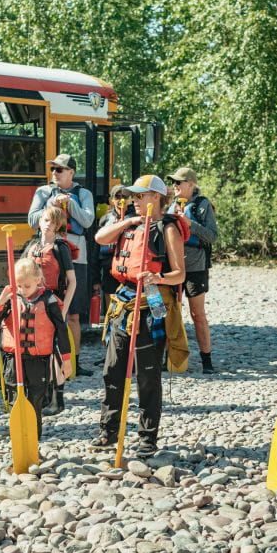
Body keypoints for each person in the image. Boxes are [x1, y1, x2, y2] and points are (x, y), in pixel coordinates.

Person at [92, 175, 186, 458]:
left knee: (147, 373)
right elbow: (99, 238)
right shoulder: (127, 223)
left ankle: (147, 436)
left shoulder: (168, 229)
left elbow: (179, 273)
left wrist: (157, 276)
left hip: (153, 299)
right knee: (113, 369)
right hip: (123, 299)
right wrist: (128, 222)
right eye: (133, 196)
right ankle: (108, 429)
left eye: (140, 196)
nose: (133, 200)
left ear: (155, 197)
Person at [0, 258, 71, 439]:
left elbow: (62, 332)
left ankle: (34, 439)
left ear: (38, 280)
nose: (23, 290)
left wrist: (67, 360)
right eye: (19, 286)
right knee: (15, 400)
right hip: (13, 359)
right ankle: (18, 437)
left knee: (35, 401)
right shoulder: (10, 298)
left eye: (27, 286)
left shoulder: (49, 301)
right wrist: (0, 301)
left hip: (38, 360)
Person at [27, 154, 95, 376]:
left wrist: (70, 203)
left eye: (60, 169)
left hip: (76, 254)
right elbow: (31, 219)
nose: (54, 173)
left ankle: (73, 362)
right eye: (53, 169)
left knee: (73, 313)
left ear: (71, 173)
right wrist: (51, 204)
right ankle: (46, 359)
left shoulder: (83, 194)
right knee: (45, 310)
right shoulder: (43, 193)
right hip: (48, 256)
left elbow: (87, 221)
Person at [23, 206, 76, 416]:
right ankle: (43, 394)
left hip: (54, 301)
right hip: (34, 302)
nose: (48, 224)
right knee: (38, 347)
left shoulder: (60, 248)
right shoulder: (32, 246)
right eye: (45, 220)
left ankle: (58, 398)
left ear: (58, 225)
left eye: (52, 222)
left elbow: (72, 282)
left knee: (55, 350)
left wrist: (64, 310)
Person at [168, 167, 219, 373]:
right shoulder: (171, 206)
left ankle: (206, 360)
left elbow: (212, 236)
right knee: (170, 312)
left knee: (197, 313)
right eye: (173, 183)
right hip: (173, 265)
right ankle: (171, 357)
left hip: (195, 266)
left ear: (191, 184)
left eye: (179, 183)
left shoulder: (202, 205)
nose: (175, 186)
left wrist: (190, 223)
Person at [97, 185, 132, 309]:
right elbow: (98, 246)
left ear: (130, 199)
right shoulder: (105, 219)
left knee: (128, 300)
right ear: (112, 200)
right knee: (111, 300)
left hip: (128, 266)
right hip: (110, 264)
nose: (121, 200)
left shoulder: (135, 218)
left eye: (124, 197)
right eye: (117, 196)